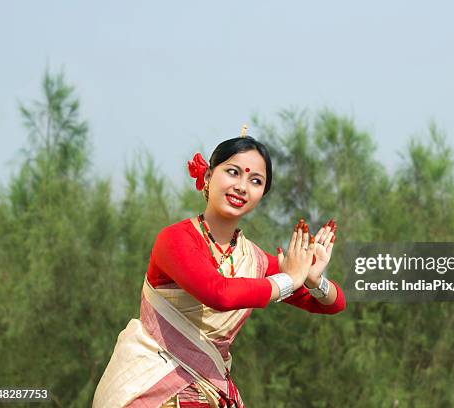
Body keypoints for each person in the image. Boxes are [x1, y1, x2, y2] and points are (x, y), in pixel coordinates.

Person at [93, 127, 346, 408]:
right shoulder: (175, 239)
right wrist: (289, 280)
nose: (241, 186)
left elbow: (332, 304)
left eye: (255, 180)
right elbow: (219, 294)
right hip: (151, 385)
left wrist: (312, 279)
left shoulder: (255, 260)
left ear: (262, 193)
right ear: (209, 176)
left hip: (209, 393)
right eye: (233, 172)